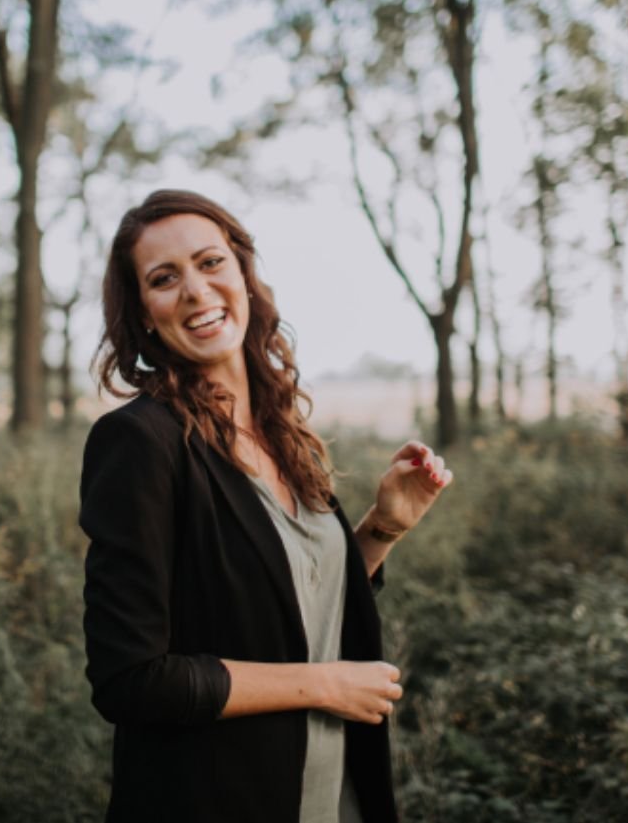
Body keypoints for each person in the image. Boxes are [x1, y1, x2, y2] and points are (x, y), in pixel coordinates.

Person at [79, 189, 453, 823]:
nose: (196, 291)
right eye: (165, 278)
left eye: (210, 262)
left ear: (244, 277)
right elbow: (132, 678)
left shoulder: (282, 432)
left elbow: (280, 605)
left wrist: (382, 528)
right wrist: (326, 684)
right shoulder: (140, 442)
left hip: (333, 796)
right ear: (143, 314)